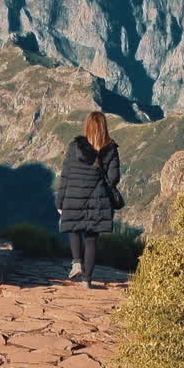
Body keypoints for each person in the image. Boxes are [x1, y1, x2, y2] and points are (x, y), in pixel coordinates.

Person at [56, 111, 122, 288]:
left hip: (74, 196)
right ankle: (87, 280)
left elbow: (65, 175)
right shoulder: (111, 150)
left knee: (74, 227)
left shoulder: (74, 147)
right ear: (104, 128)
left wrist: (60, 201)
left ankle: (76, 261)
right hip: (98, 200)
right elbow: (114, 178)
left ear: (87, 126)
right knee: (91, 240)